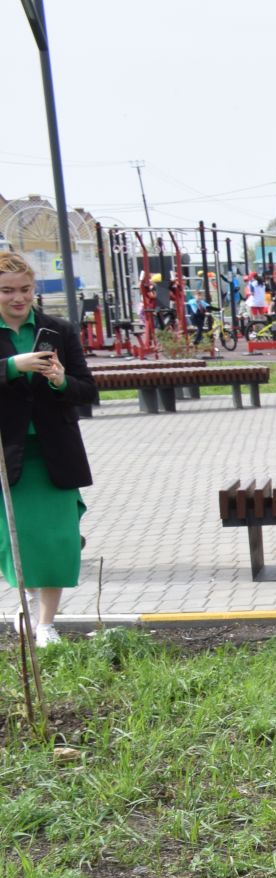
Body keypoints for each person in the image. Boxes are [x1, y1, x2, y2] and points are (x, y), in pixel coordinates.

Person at [0, 253, 96, 648]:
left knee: (59, 539)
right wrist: (11, 366)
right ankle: (23, 607)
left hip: (55, 451)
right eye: (7, 291)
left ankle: (45, 624)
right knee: (17, 539)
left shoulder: (57, 329)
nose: (18, 298)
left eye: (25, 289)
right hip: (8, 454)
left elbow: (87, 390)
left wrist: (60, 380)